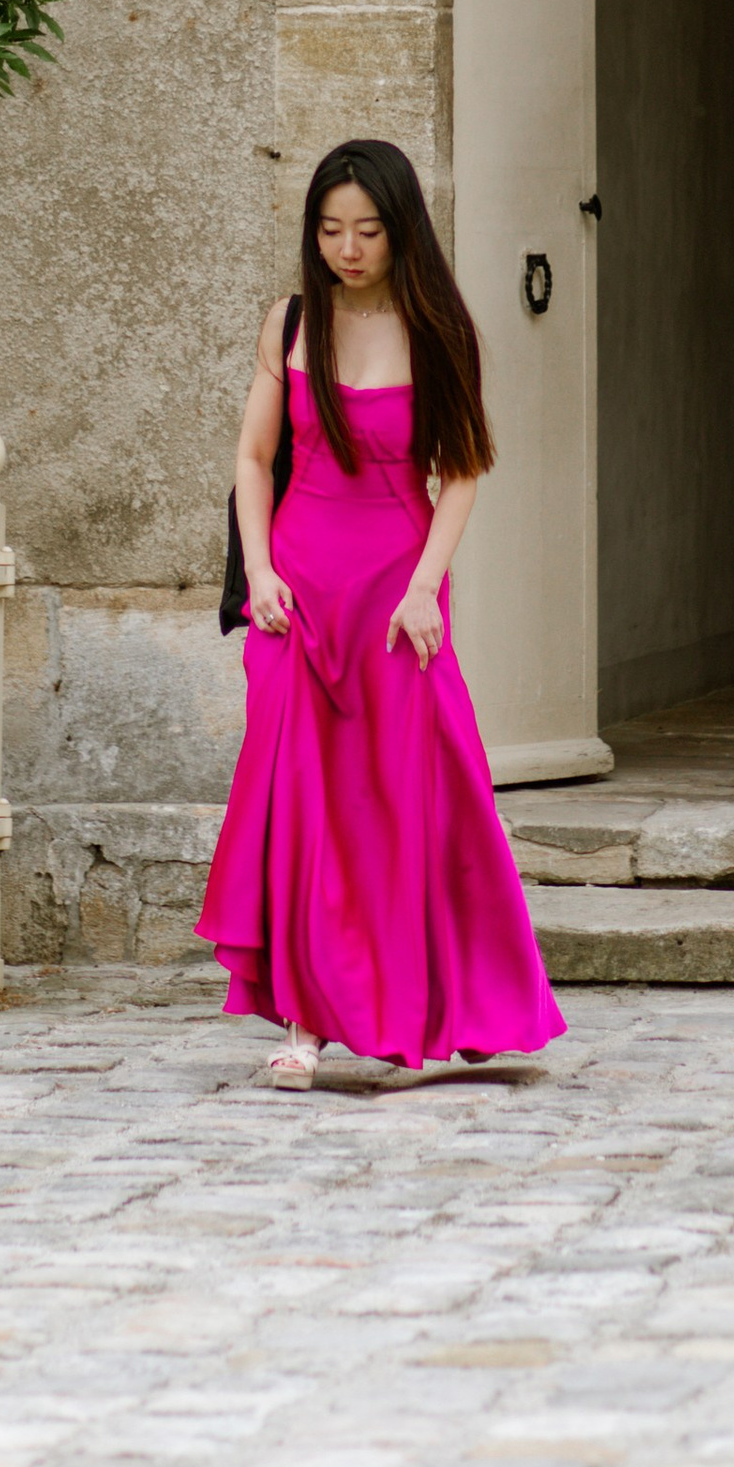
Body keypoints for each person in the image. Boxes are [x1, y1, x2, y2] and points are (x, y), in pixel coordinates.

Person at [197, 136, 566, 1088]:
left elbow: (462, 471)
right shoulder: (290, 323)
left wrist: (425, 588)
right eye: (330, 230)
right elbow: (252, 460)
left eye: (366, 230)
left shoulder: (439, 326)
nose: (348, 249)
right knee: (299, 798)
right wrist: (260, 572)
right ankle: (305, 1022)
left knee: (403, 798)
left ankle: (426, 1003)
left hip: (398, 592)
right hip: (297, 591)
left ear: (401, 230)